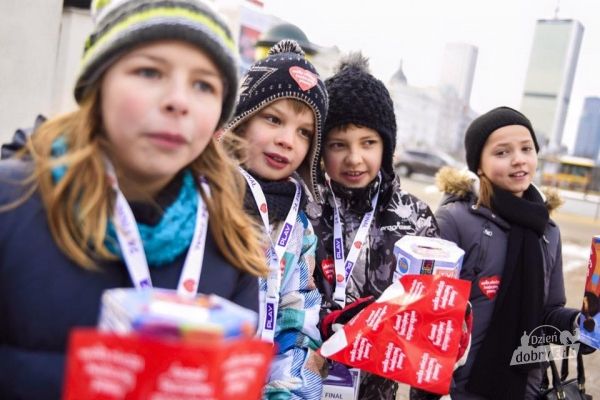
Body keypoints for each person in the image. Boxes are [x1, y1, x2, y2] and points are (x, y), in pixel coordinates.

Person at [0, 0, 268, 398]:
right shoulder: (11, 203)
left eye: (204, 85)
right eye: (149, 71)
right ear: (98, 86)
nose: (179, 101)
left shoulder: (234, 240)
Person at [308, 53, 441, 400]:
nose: (354, 158)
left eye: (368, 143)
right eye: (339, 145)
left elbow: (429, 322)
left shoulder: (415, 219)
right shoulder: (304, 209)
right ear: (322, 150)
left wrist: (451, 326)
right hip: (301, 386)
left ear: (386, 145)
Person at [434, 106, 581, 399]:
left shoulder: (548, 231)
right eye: (502, 153)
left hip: (524, 389)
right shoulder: (454, 220)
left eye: (527, 149)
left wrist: (580, 324)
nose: (518, 160)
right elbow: (431, 315)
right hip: (459, 389)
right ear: (478, 165)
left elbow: (547, 313)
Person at [222, 39, 327, 399]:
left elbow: (296, 327)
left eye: (304, 132)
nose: (287, 141)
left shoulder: (298, 227)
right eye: (273, 119)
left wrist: (287, 394)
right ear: (243, 119)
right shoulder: (201, 194)